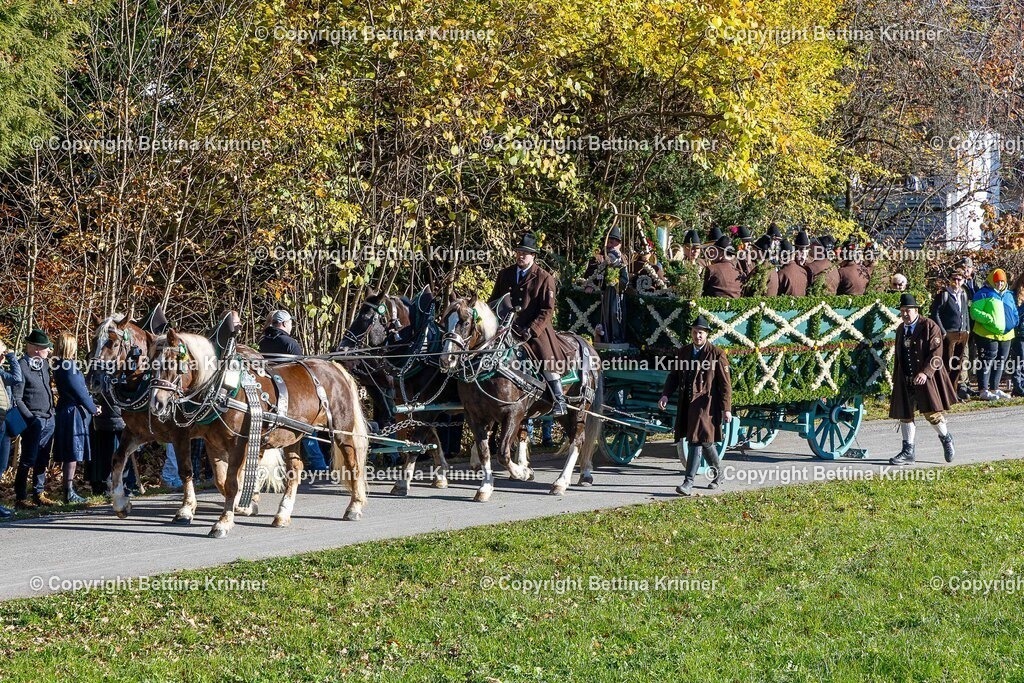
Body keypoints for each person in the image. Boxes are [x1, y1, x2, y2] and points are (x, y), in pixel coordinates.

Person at [490, 233, 574, 416]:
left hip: (534, 329)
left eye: (525, 253)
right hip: (506, 328)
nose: (521, 256)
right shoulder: (505, 274)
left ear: (533, 255)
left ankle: (559, 399)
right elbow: (494, 301)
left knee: (545, 357)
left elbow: (547, 310)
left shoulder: (544, 278)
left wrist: (532, 330)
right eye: (519, 252)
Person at [658, 315, 732, 495]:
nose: (697, 336)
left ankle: (688, 482)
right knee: (705, 442)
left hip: (706, 405)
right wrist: (666, 395)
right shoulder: (683, 352)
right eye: (694, 332)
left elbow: (725, 385)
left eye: (701, 333)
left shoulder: (717, 354)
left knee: (695, 441)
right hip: (687, 404)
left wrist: (726, 409)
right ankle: (719, 473)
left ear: (706, 334)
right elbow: (674, 376)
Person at [888, 294, 957, 465]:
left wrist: (925, 373)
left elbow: (937, 355)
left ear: (916, 310)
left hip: (927, 378)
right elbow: (899, 356)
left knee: (931, 413)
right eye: (902, 311)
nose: (905, 314)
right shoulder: (900, 329)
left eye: (908, 310)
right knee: (905, 414)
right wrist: (897, 378)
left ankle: (946, 438)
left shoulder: (929, 326)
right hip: (906, 378)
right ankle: (908, 451)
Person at [53, 333, 100, 503]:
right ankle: (69, 491)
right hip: (72, 413)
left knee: (71, 452)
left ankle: (69, 490)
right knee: (72, 452)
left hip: (68, 409)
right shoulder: (68, 366)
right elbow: (80, 391)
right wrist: (94, 408)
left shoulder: (59, 365)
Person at [13, 329, 57, 508]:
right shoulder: (21, 366)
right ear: (36, 349)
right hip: (33, 420)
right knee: (27, 459)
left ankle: (38, 493)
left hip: (49, 418)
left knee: (43, 458)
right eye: (46, 348)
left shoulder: (45, 364)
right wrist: (31, 419)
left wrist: (52, 413)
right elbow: (17, 398)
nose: (49, 351)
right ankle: (21, 497)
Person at [970, 268, 1017, 400]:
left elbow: (1013, 310)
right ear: (991, 281)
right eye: (997, 281)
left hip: (1006, 335)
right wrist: (989, 319)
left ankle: (995, 388)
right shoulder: (983, 293)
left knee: (1001, 361)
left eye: (1002, 281)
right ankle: (983, 390)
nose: (999, 284)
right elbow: (975, 312)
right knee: (986, 361)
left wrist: (1014, 321)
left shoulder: (1008, 294)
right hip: (987, 334)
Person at [929, 269, 971, 398]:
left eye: (959, 279)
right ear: (950, 280)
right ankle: (944, 393)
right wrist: (943, 331)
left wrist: (967, 329)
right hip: (949, 334)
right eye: (954, 279)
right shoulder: (944, 295)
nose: (957, 282)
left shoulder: (963, 294)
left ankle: (953, 392)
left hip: (962, 333)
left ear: (963, 280)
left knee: (957, 365)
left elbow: (965, 312)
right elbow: (935, 313)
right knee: (947, 364)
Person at [0, 340, 23, 517]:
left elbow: (17, 379)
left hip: (4, 423)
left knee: (1, 464)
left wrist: (10, 358)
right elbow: (17, 378)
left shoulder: (0, 372)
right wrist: (11, 358)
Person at [89, 392, 124, 495]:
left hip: (116, 417)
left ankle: (115, 485)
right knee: (108, 454)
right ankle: (106, 486)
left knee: (116, 454)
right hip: (106, 418)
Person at [1010, 272, 1024, 397]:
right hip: (1019, 333)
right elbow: (1015, 314)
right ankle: (1018, 386)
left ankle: (1020, 386)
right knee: (1019, 360)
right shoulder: (1014, 295)